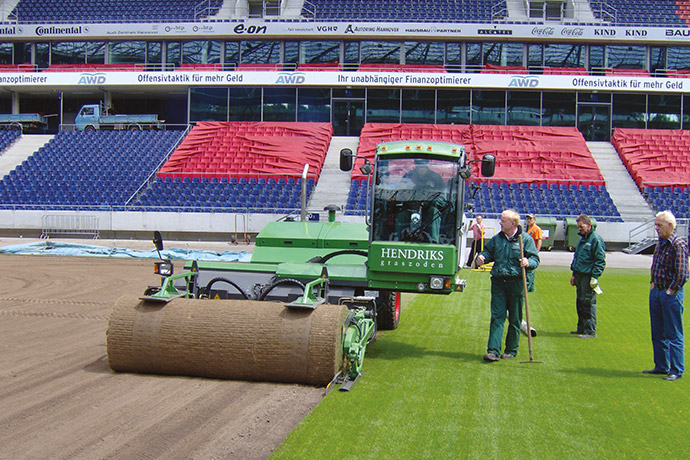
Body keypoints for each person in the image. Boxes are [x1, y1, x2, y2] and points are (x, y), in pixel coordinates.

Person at [475, 209, 540, 361]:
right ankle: (493, 351)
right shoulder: (497, 239)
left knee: (515, 318)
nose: (500, 223)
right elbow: (488, 252)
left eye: (503, 221)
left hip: (517, 283)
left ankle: (511, 350)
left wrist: (528, 262)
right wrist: (482, 257)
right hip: (499, 282)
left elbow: (535, 260)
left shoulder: (525, 239)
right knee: (497, 316)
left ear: (513, 223)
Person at [644, 210, 689, 381]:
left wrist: (671, 290)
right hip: (657, 291)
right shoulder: (661, 243)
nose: (656, 228)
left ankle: (676, 369)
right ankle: (661, 366)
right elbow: (656, 264)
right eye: (656, 225)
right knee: (657, 331)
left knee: (673, 332)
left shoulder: (678, 244)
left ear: (670, 225)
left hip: (670, 293)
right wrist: (652, 284)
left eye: (659, 225)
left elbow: (683, 273)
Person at [569, 214, 606, 338]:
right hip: (579, 276)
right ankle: (581, 328)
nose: (579, 229)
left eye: (581, 226)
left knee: (588, 303)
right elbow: (577, 258)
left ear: (588, 225)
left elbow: (600, 260)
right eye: (578, 226)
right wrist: (574, 274)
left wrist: (594, 277)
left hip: (588, 277)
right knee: (580, 302)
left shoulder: (595, 240)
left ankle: (590, 331)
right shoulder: (583, 240)